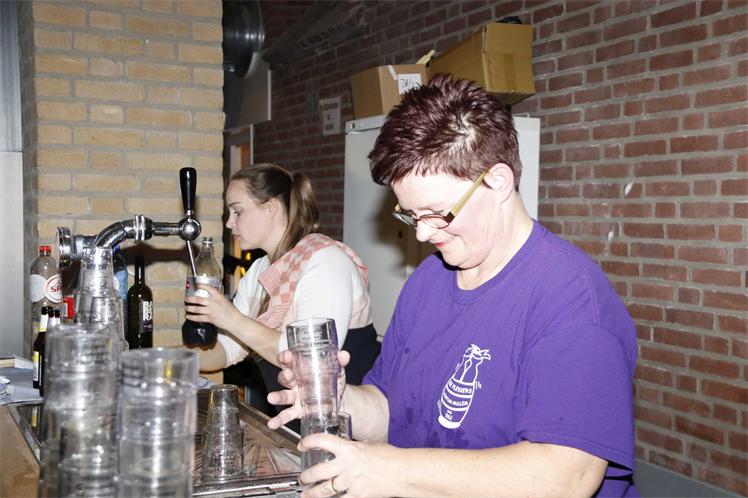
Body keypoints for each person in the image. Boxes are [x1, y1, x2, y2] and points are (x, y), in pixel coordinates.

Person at [266, 74, 639, 498]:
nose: (422, 234)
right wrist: (342, 401)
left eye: (437, 213)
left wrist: (391, 470)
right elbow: (392, 409)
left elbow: (566, 477)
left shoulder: (570, 298)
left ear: (498, 182)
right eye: (411, 215)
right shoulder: (430, 279)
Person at [185, 163, 380, 411]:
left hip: (345, 422)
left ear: (271, 207)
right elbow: (228, 349)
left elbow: (308, 358)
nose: (229, 223)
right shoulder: (259, 271)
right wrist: (161, 359)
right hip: (294, 419)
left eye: (237, 211)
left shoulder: (324, 261)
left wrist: (230, 318)